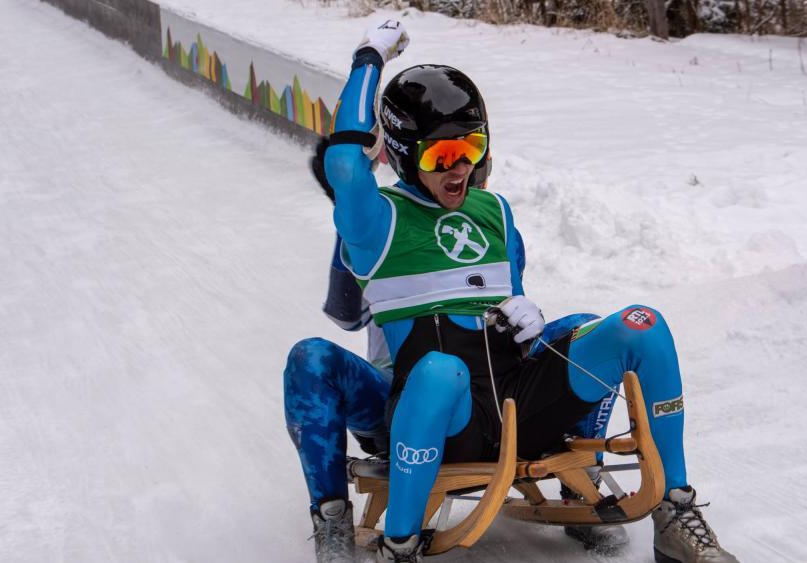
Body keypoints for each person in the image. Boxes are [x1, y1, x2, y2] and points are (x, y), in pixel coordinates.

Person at [306, 20, 740, 563]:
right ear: (398, 153)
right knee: (441, 368)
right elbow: (344, 165)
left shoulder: (495, 212)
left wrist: (520, 312)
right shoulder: (377, 225)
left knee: (639, 325)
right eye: (440, 156)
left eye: (471, 147)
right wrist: (369, 56)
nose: (460, 167)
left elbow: (507, 300)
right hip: (445, 417)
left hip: (517, 402)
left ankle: (675, 511)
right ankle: (402, 545)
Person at [286, 142, 623, 563]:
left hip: (494, 387)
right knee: (312, 358)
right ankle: (332, 515)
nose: (461, 176)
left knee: (586, 327)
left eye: (470, 161)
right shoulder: (379, 223)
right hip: (402, 386)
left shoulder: (492, 220)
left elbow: (513, 311)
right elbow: (347, 315)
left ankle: (580, 473)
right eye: (444, 162)